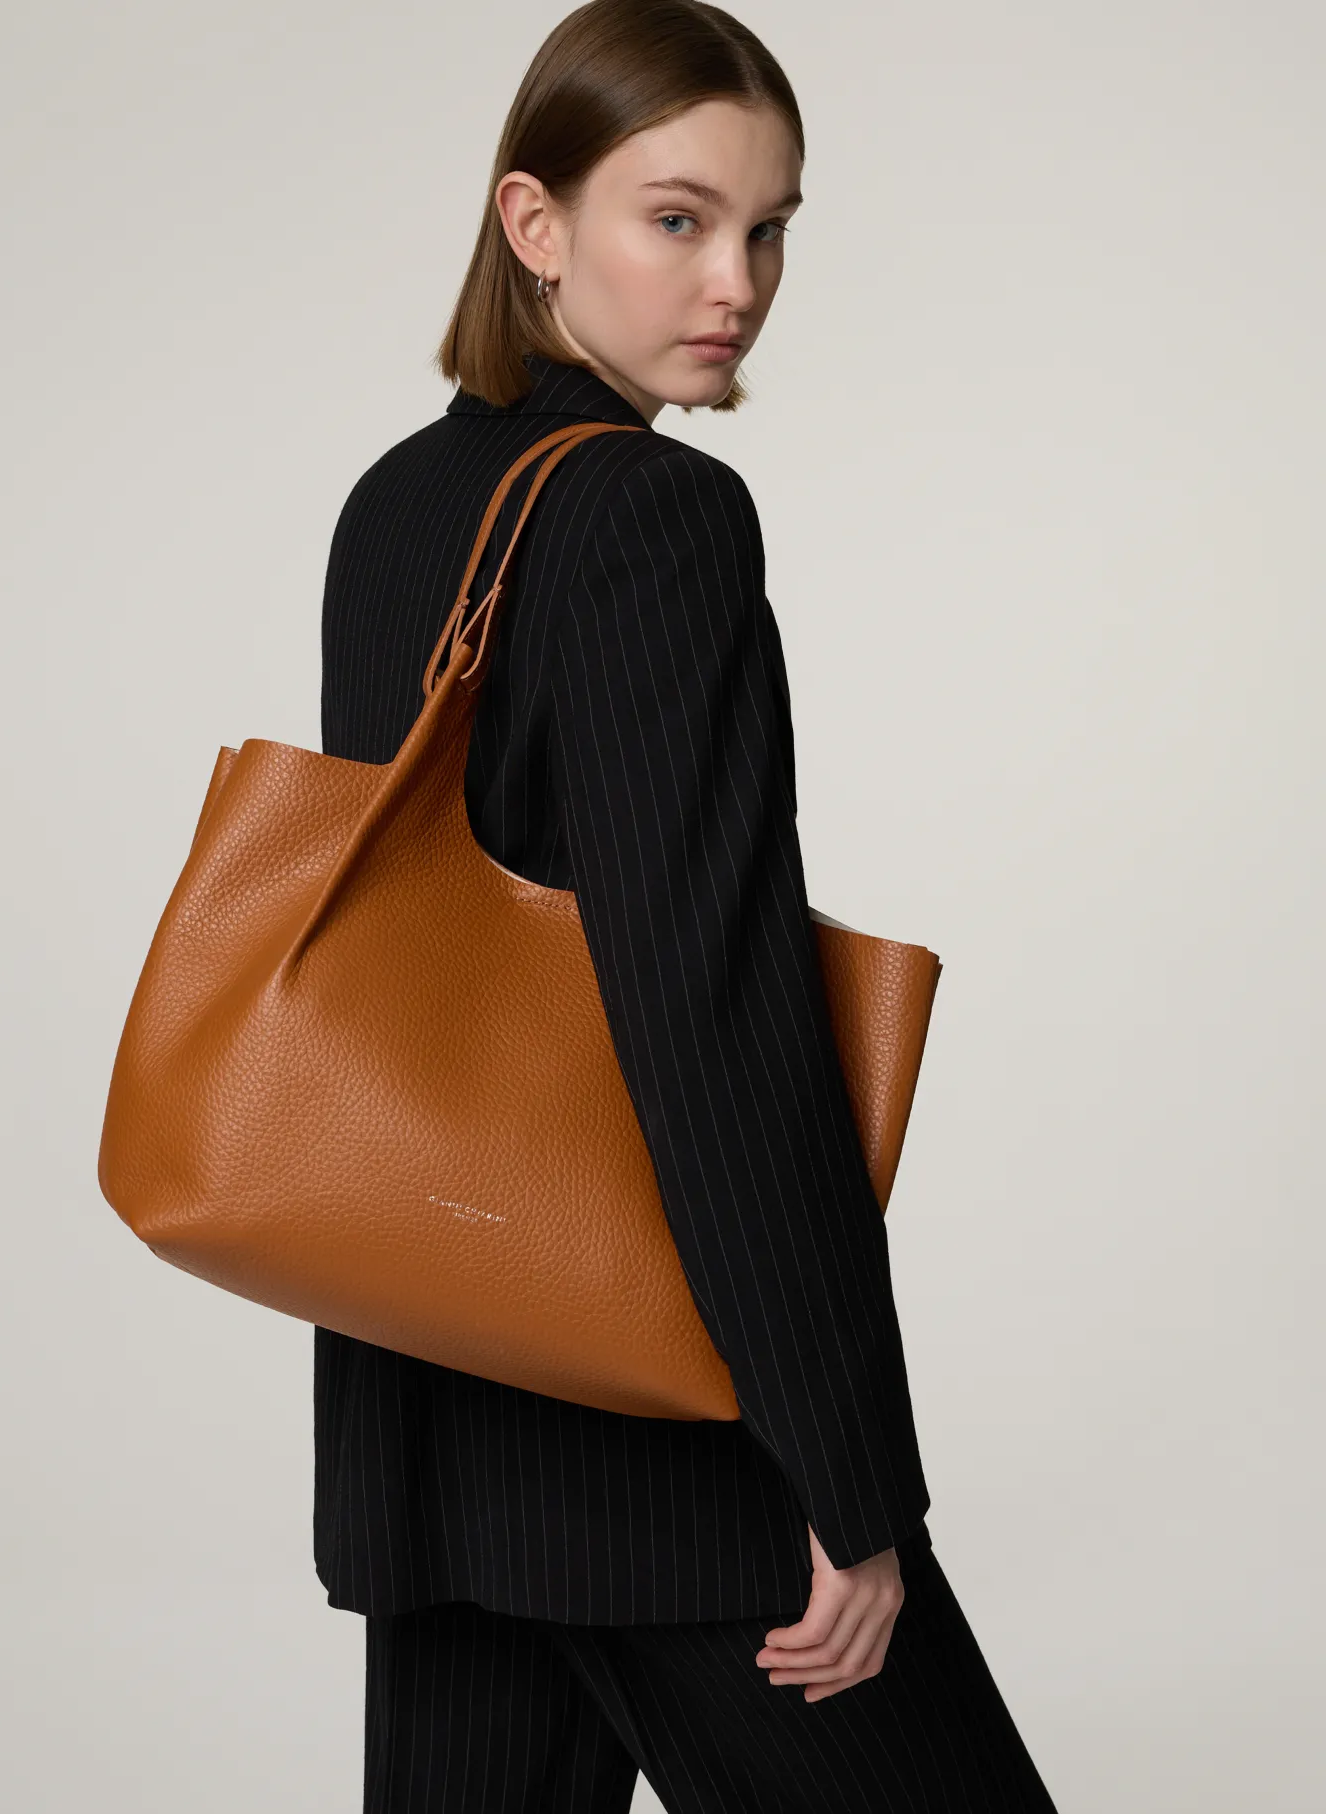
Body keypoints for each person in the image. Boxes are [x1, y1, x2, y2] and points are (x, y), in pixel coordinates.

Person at [315, 2, 1060, 1807]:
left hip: (433, 1405)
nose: (738, 282)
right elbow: (708, 1015)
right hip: (666, 1442)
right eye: (678, 218)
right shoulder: (656, 516)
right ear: (534, 221)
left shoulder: (400, 503)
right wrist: (849, 1476)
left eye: (770, 227)